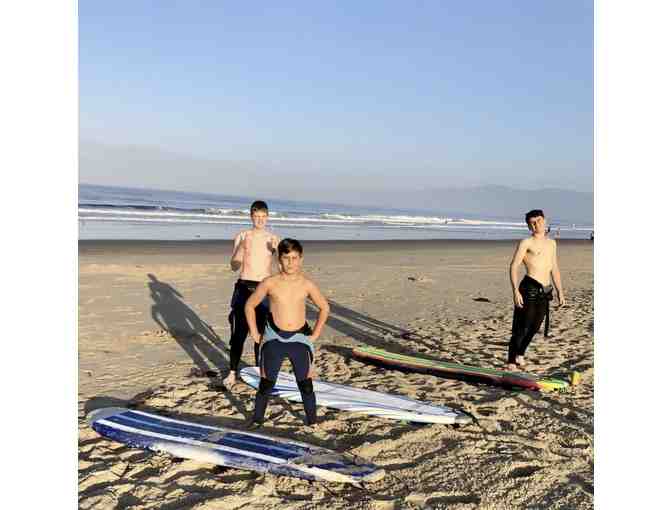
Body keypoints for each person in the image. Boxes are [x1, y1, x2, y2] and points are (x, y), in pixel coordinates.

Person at [243, 238, 330, 428]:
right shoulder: (270, 283)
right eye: (286, 258)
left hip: (300, 339)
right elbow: (249, 305)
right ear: (279, 260)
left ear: (301, 259)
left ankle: (312, 422)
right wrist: (254, 333)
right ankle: (257, 420)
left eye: (294, 258)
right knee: (266, 384)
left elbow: (324, 307)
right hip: (274, 339)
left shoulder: (307, 284)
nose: (290, 263)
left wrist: (315, 334)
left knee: (305, 385)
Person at [222, 200, 280, 388]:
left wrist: (276, 250)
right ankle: (232, 372)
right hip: (244, 287)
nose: (260, 220)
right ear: (251, 217)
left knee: (262, 335)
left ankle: (260, 372)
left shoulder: (273, 238)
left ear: (267, 217)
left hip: (264, 288)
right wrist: (242, 246)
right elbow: (234, 266)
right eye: (256, 216)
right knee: (238, 334)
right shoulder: (242, 236)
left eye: (263, 217)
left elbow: (279, 268)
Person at [507, 209, 566, 371]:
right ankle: (511, 360)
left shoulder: (552, 243)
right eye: (532, 223)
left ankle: (520, 354)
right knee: (522, 326)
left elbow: (554, 268)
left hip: (545, 291)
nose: (536, 225)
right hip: (529, 288)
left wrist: (560, 291)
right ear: (529, 226)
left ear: (544, 221)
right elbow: (514, 266)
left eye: (539, 221)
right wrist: (515, 291)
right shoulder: (526, 243)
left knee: (535, 326)